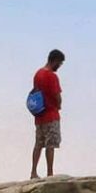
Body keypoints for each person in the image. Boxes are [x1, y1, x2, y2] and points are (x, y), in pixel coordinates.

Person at [31, 49, 65, 179]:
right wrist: (59, 105)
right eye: (59, 63)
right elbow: (57, 96)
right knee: (50, 145)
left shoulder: (38, 74)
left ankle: (33, 172)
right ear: (55, 60)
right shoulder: (52, 76)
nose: (59, 66)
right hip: (51, 114)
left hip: (39, 115)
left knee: (38, 144)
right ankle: (50, 173)